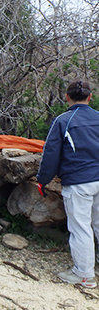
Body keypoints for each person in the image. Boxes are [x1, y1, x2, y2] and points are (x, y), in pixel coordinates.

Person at [36, 80, 99, 288]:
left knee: (81, 228)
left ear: (67, 97)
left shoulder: (63, 120)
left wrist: (43, 180)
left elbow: (51, 154)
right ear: (90, 97)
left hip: (78, 182)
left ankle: (84, 274)